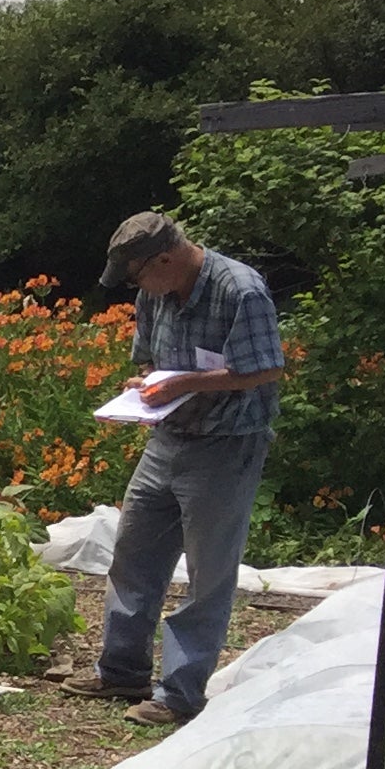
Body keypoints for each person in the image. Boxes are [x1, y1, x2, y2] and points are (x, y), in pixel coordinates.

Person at [63, 211, 285, 726]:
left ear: (166, 258)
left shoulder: (240, 290)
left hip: (226, 445)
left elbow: (266, 367)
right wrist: (144, 389)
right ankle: (122, 670)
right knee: (134, 551)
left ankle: (179, 694)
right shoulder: (154, 292)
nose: (138, 288)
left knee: (208, 573)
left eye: (139, 276)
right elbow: (149, 362)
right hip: (167, 437)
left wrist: (183, 384)